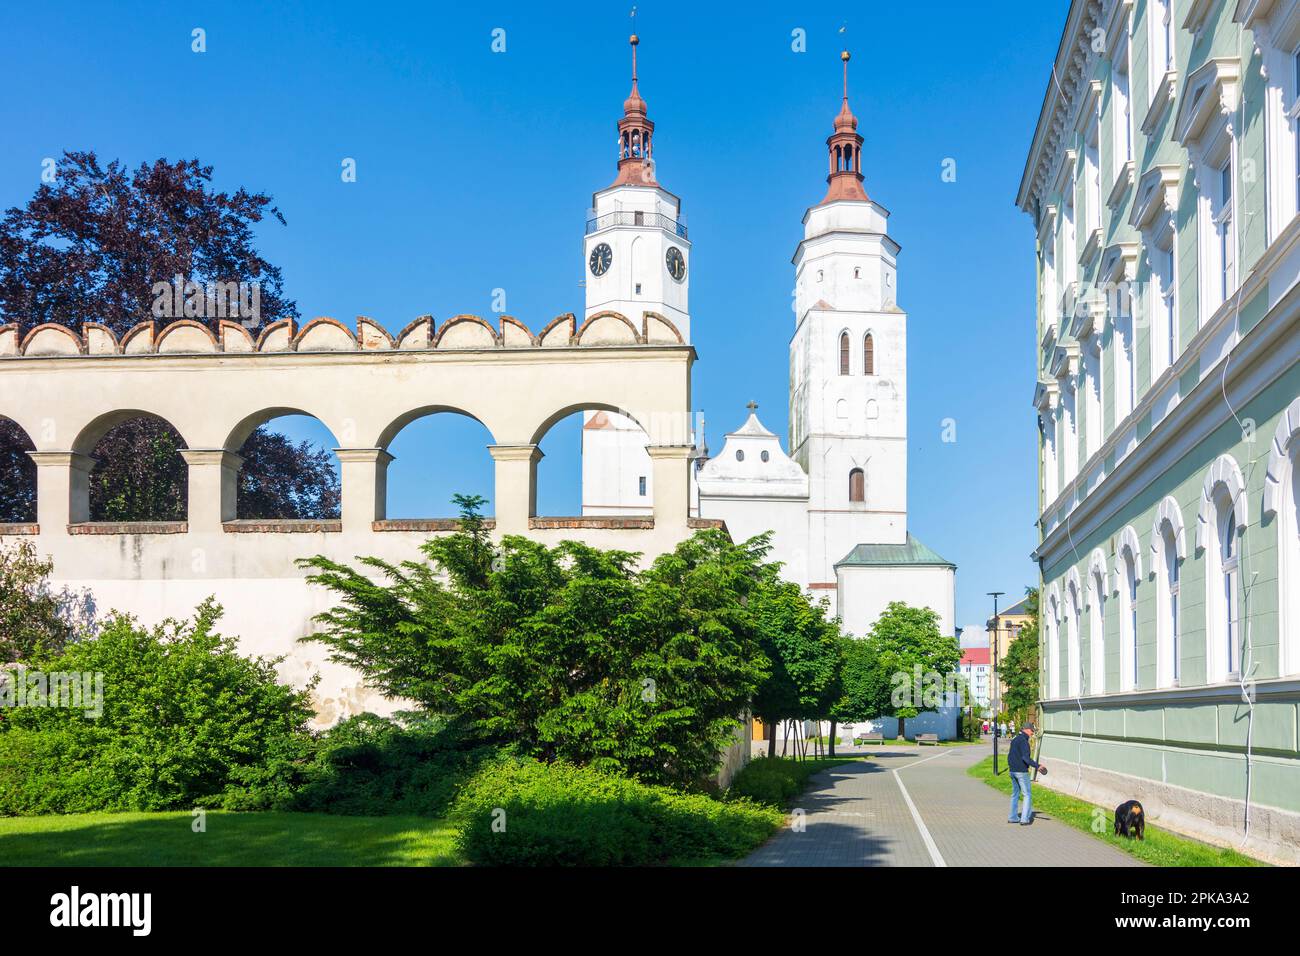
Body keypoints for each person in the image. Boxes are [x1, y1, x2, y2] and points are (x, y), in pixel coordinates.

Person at [1007, 721, 1046, 826]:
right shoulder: (1024, 741)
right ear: (1027, 730)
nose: (1032, 733)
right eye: (1032, 731)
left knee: (1015, 794)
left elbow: (1010, 755)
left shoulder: (1015, 739)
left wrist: (1011, 767)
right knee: (1027, 795)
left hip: (1012, 771)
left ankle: (1012, 817)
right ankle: (1024, 819)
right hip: (1021, 772)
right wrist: (1037, 766)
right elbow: (1025, 758)